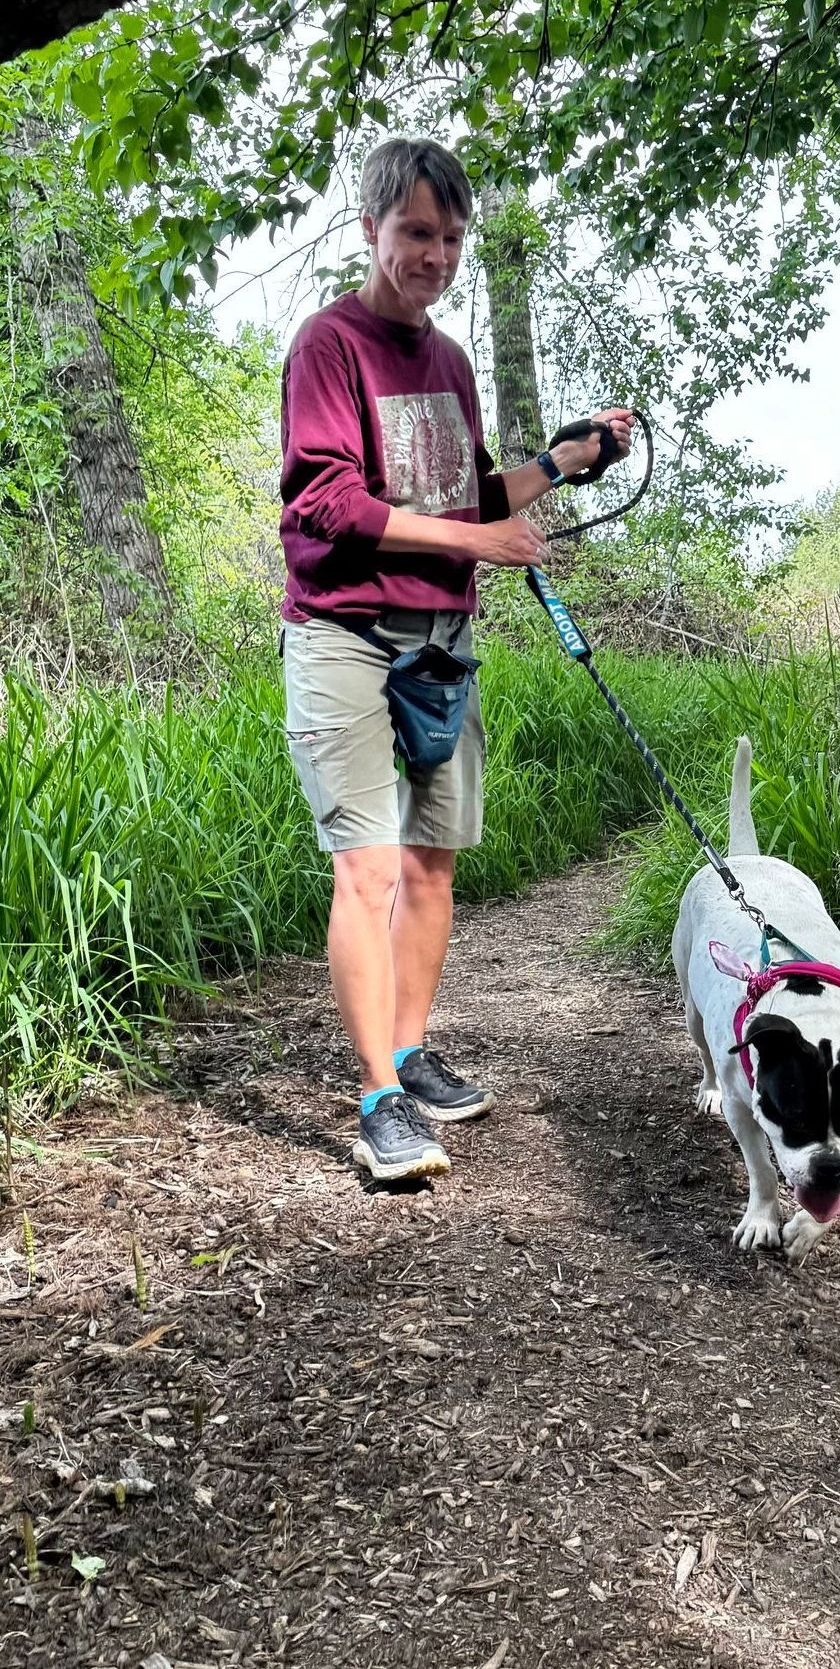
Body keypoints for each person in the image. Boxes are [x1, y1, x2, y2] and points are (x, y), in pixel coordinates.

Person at [279, 136, 632, 1182]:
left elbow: (464, 496)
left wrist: (565, 461)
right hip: (343, 635)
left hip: (440, 644)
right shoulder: (328, 344)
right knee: (369, 865)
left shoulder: (451, 362)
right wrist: (475, 542)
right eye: (415, 233)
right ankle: (378, 1099)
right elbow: (325, 500)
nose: (434, 253)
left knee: (433, 862)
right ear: (371, 231)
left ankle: (411, 1044)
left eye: (450, 235)